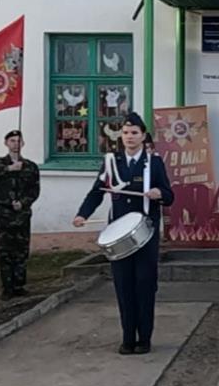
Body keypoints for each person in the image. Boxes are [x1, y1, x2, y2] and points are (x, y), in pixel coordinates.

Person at [72, 112, 174, 355]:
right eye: (126, 133)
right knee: (123, 285)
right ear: (121, 136)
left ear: (143, 136)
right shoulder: (110, 162)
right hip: (119, 236)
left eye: (134, 133)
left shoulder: (153, 163)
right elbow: (97, 192)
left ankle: (145, 338)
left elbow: (170, 195)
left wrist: (159, 193)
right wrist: (82, 214)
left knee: (145, 284)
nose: (129, 137)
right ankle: (128, 338)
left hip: (145, 235)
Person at [0, 130, 41, 299]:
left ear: (23, 144)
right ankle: (7, 287)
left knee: (21, 251)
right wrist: (9, 169)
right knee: (6, 251)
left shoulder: (30, 166)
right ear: (6, 143)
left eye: (18, 141)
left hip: (22, 213)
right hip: (5, 213)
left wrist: (23, 202)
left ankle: (19, 285)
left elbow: (35, 190)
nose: (15, 144)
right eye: (12, 141)